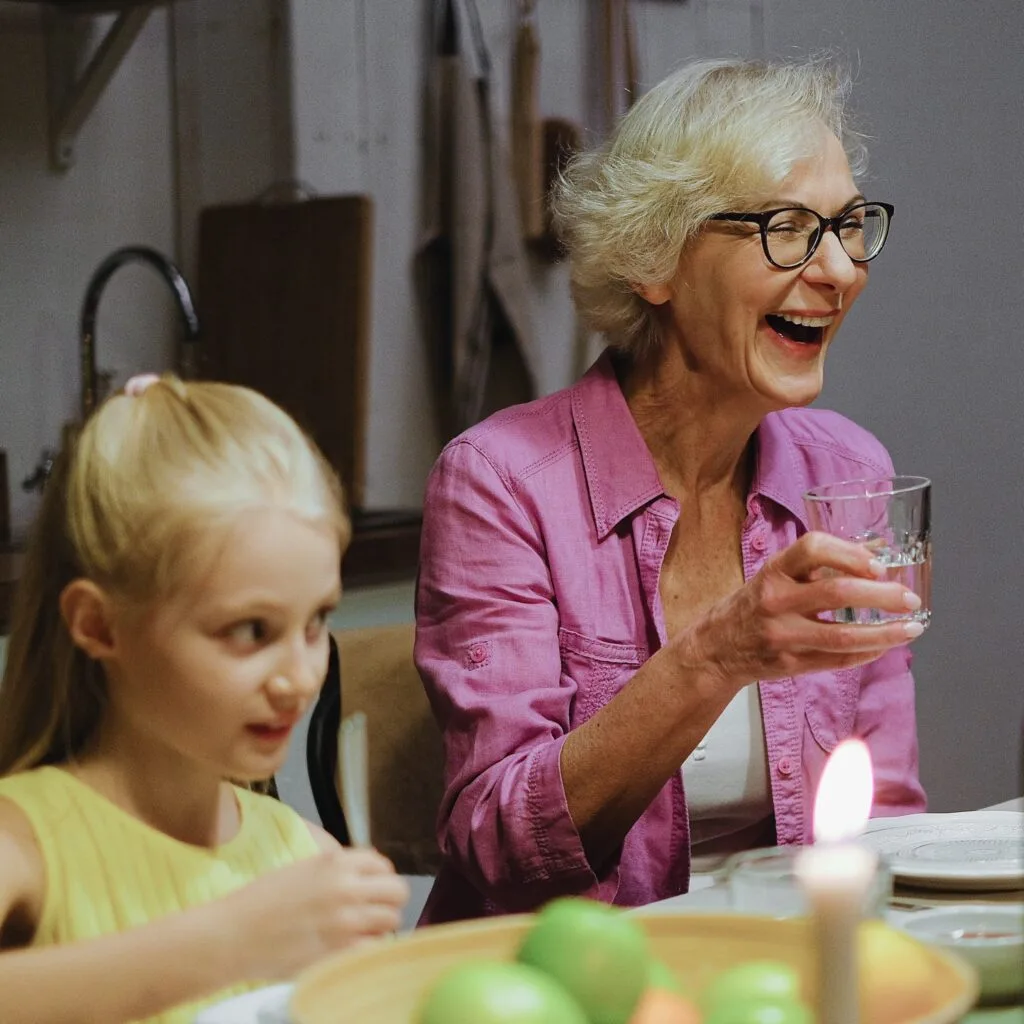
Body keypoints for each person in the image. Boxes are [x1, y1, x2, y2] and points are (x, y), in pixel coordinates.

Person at [414, 56, 927, 925]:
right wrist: (717, 655)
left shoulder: (847, 472)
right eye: (788, 228)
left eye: (848, 226)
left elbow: (886, 817)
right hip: (572, 974)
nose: (841, 270)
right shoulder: (499, 483)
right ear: (654, 260)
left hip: (784, 963)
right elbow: (499, 845)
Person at [0, 374, 409, 1023]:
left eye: (315, 624)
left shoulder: (307, 855)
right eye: (250, 631)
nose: (300, 678)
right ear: (99, 625)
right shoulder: (23, 839)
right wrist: (231, 942)